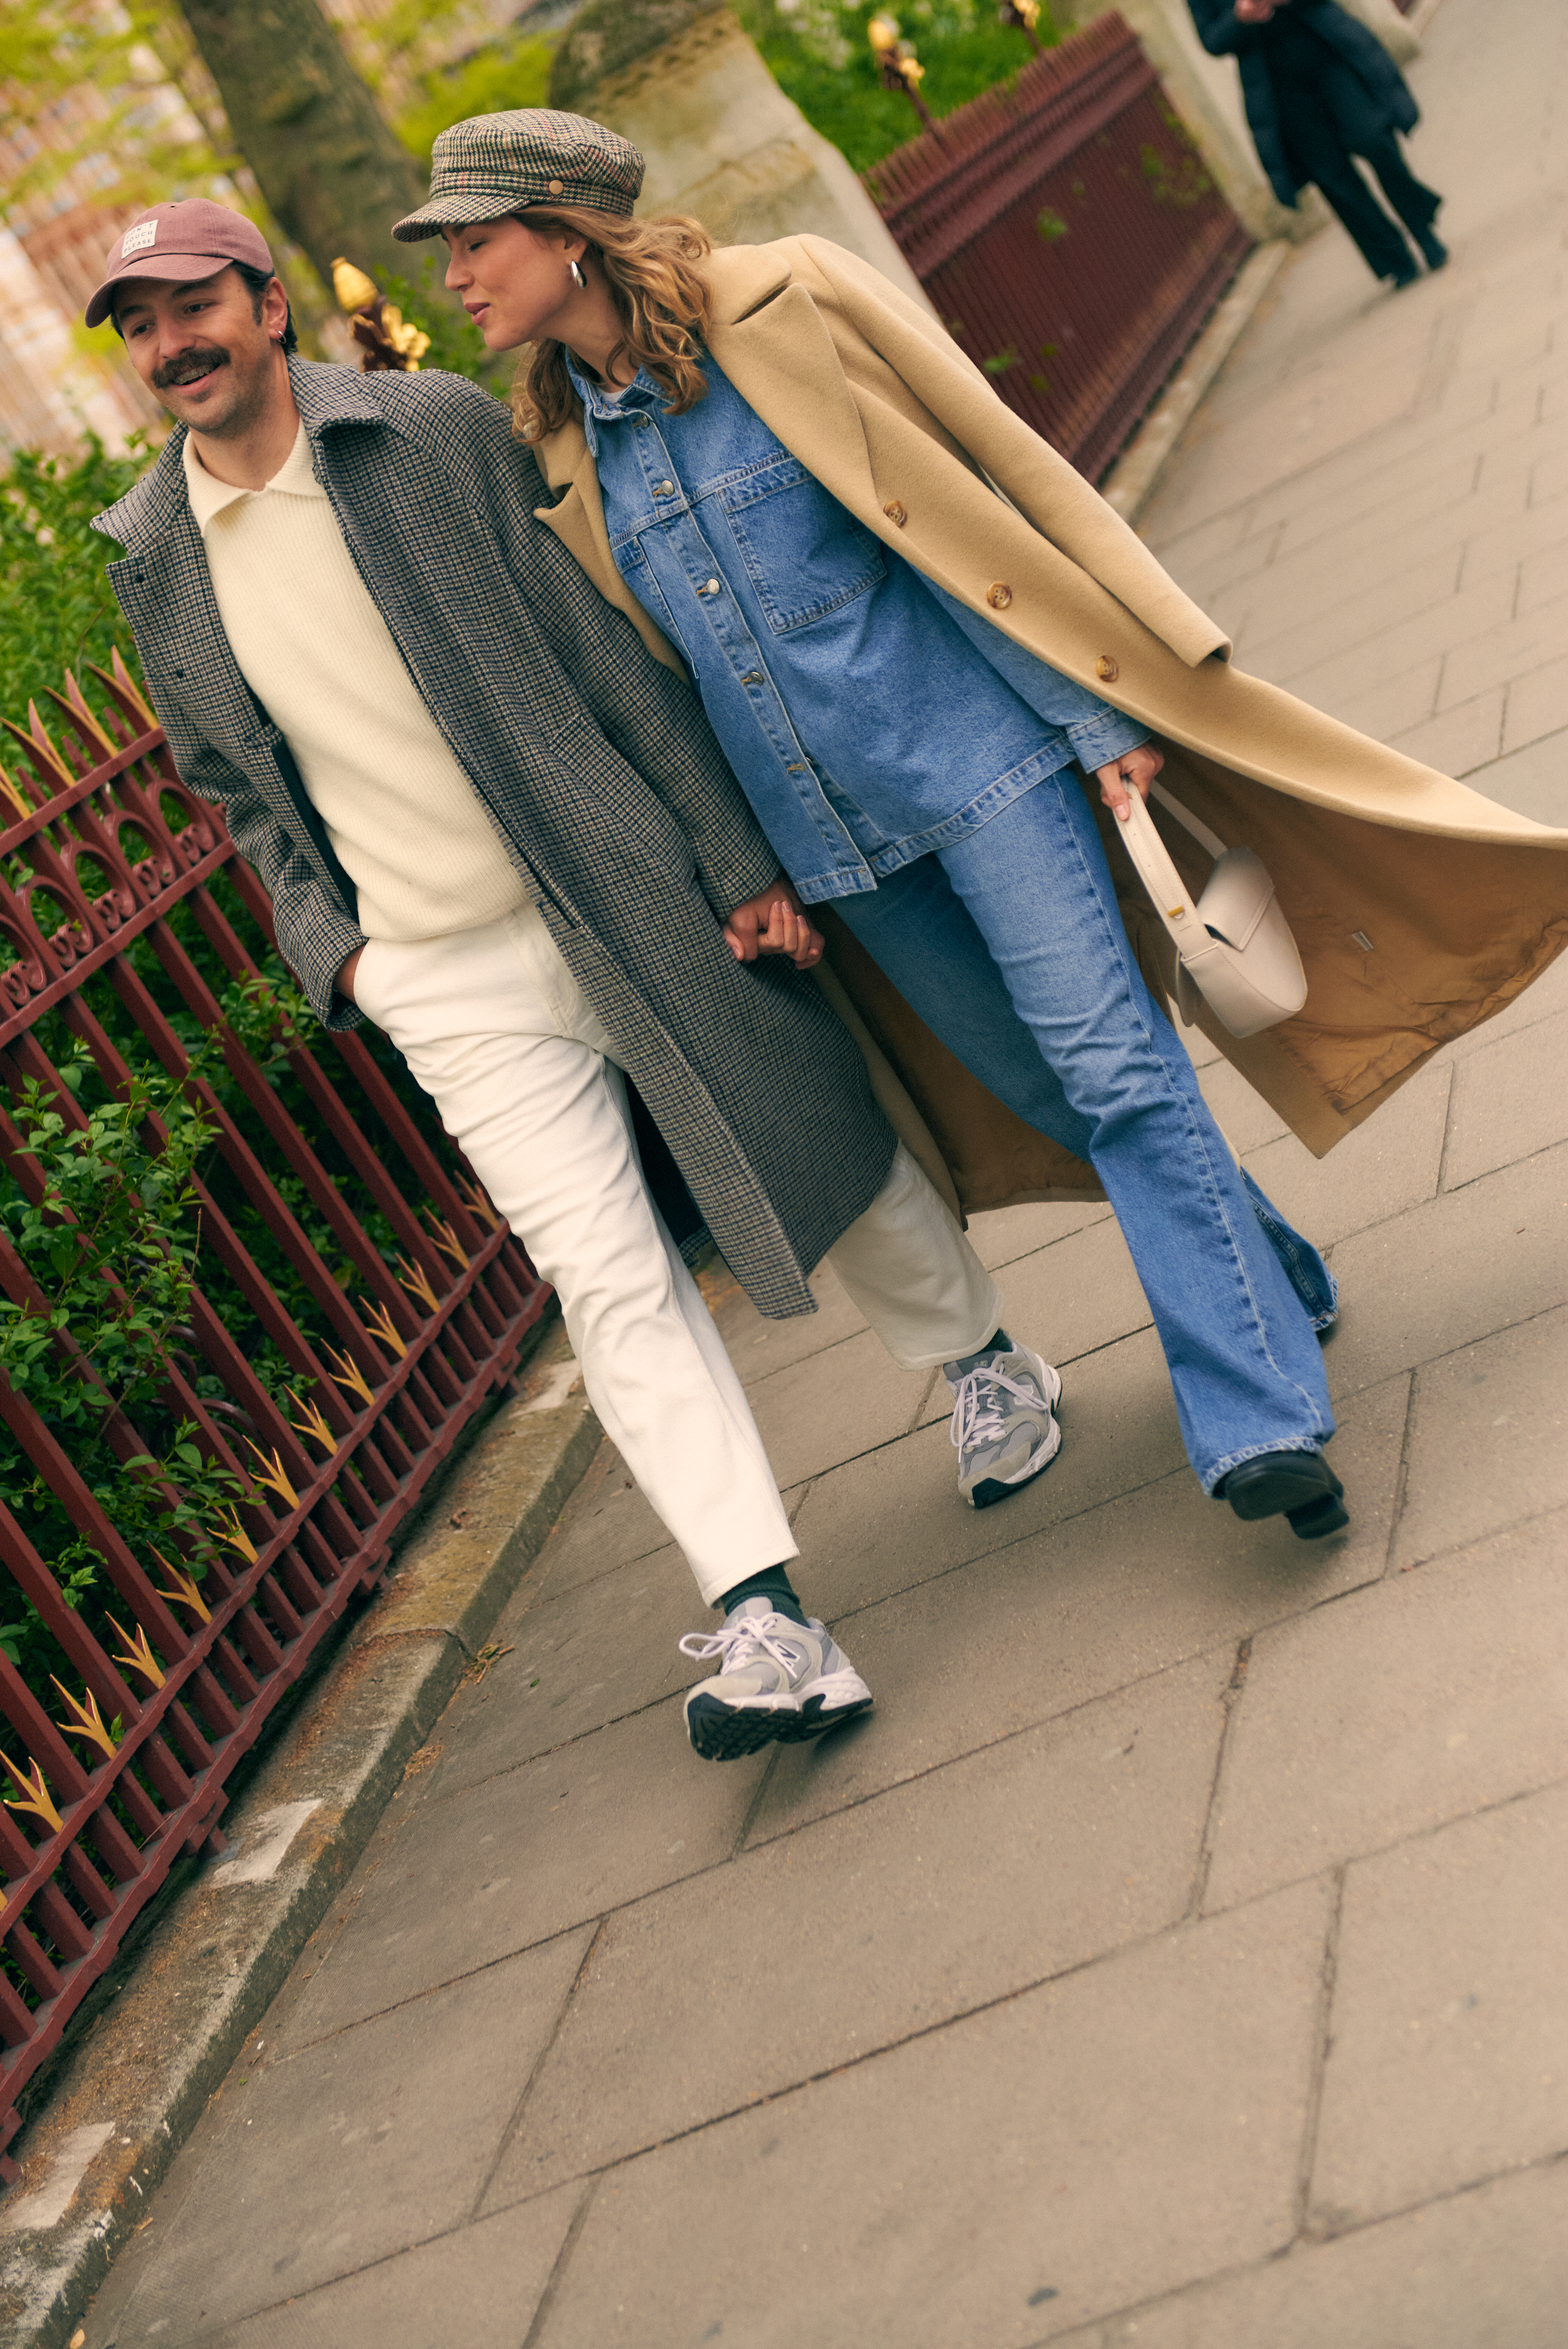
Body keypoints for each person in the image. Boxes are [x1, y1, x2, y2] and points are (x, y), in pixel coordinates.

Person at [394, 110, 1568, 1580]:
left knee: (1116, 1068)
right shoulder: (559, 444)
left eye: (471, 238)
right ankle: (1268, 1270)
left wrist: (1100, 711)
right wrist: (739, 872)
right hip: (835, 850)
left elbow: (983, 487)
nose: (452, 276)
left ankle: (1258, 1417)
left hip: (987, 759)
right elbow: (655, 682)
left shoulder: (790, 301)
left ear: (567, 222)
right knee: (1047, 1090)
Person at [84, 198, 1068, 1766]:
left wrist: (731, 858)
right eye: (135, 325)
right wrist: (338, 957)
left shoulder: (424, 431)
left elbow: (597, 648)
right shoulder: (153, 557)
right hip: (437, 970)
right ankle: (764, 1616)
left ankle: (983, 1359)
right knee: (606, 1276)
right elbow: (233, 787)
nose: (168, 346)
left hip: (614, 880)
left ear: (268, 309)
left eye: (191, 306)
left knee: (807, 1132)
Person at [1188, 0, 1445, 289]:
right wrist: (1240, 17)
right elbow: (1211, 39)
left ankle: (1423, 231)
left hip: (1329, 53)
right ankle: (1396, 260)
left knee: (1375, 139)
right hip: (1279, 90)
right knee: (1335, 180)